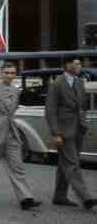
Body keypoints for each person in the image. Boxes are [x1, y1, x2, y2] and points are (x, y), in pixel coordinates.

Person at [0, 63, 42, 210]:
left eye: (12, 73)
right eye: (7, 72)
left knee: (17, 167)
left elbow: (11, 112)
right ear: (1, 73)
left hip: (11, 133)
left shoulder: (15, 91)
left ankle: (26, 199)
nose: (10, 76)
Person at [45, 58, 97, 210]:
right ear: (68, 65)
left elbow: (82, 106)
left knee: (65, 164)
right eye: (77, 63)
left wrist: (84, 122)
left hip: (78, 128)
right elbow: (50, 111)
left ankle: (59, 196)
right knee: (73, 164)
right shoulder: (56, 84)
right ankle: (86, 198)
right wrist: (56, 133)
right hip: (64, 131)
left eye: (81, 64)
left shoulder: (79, 82)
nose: (80, 66)